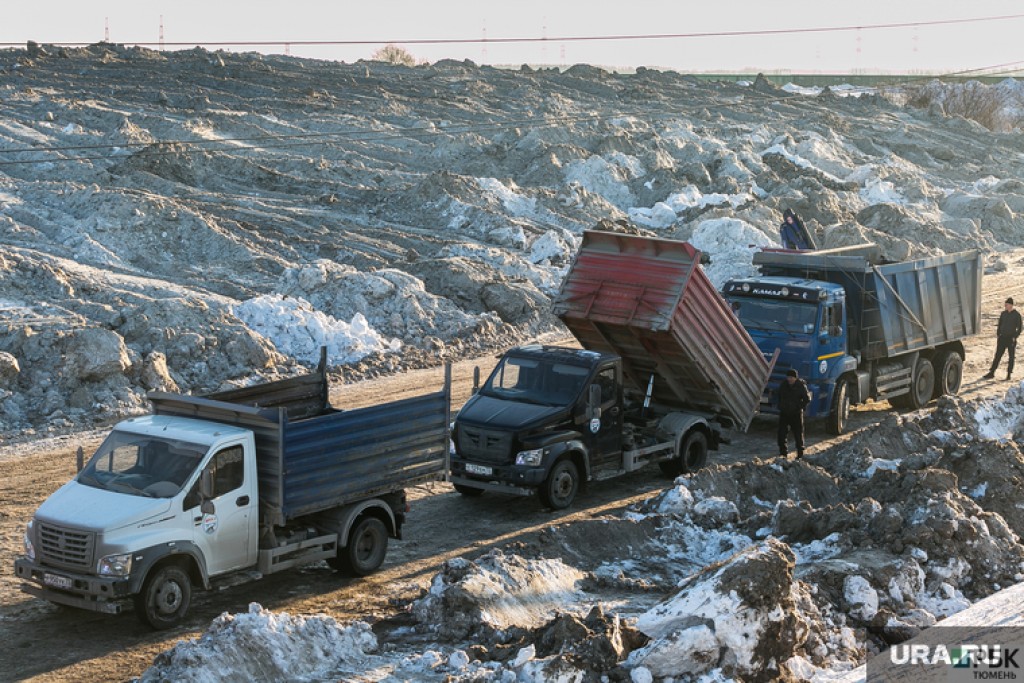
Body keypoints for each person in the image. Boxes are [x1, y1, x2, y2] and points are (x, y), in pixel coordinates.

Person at [983, 297, 1022, 381]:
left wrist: (1014, 337)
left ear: (1011, 305)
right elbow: (1000, 325)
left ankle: (1008, 374)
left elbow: (1020, 328)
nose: (1005, 305)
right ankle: (992, 372)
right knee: (997, 356)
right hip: (1002, 338)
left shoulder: (1017, 315)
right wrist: (998, 334)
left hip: (1011, 339)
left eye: (1007, 304)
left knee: (1011, 357)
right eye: (1005, 304)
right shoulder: (1003, 314)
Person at [777, 369, 810, 458]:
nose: (790, 379)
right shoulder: (783, 385)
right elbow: (778, 396)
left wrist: (799, 406)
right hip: (784, 413)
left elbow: (807, 399)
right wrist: (781, 406)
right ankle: (783, 453)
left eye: (791, 377)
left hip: (796, 414)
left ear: (795, 378)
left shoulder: (801, 386)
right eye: (788, 377)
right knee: (781, 434)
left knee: (798, 434)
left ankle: (800, 454)